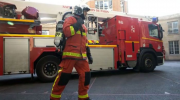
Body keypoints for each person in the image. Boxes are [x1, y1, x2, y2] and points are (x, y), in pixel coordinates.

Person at [50, 5, 93, 100]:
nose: (86, 13)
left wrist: (89, 54)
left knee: (86, 76)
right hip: (70, 55)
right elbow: (67, 32)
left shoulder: (83, 26)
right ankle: (54, 98)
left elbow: (85, 41)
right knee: (63, 78)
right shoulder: (70, 19)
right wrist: (77, 24)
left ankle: (83, 97)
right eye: (85, 11)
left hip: (82, 57)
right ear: (80, 11)